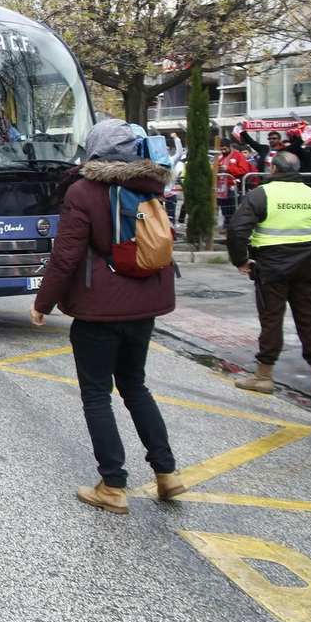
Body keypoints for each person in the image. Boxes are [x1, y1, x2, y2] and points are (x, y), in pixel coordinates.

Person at [29, 118, 183, 515]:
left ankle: (112, 485)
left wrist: (43, 303)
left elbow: (66, 255)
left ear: (95, 151)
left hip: (100, 308)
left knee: (97, 394)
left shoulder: (84, 190)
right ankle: (167, 474)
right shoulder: (153, 186)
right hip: (146, 303)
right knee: (135, 387)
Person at [229, 149, 311, 397]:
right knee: (309, 321)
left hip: (271, 267)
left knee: (272, 320)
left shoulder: (262, 194)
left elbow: (237, 230)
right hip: (307, 266)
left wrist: (241, 260)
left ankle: (264, 376)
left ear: (274, 169)